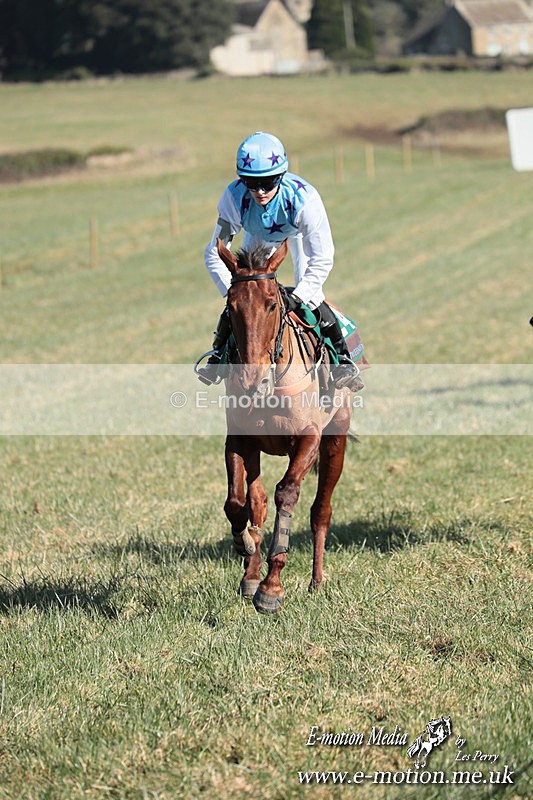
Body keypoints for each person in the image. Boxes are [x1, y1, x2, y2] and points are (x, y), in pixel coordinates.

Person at [197, 131, 362, 391]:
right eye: (251, 183)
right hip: (257, 236)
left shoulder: (305, 200)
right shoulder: (233, 197)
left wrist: (299, 297)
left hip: (297, 236)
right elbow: (213, 252)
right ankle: (218, 354)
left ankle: (342, 359)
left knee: (314, 298)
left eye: (268, 182)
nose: (260, 191)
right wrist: (235, 291)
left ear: (281, 176)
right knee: (245, 307)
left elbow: (322, 257)